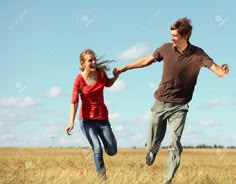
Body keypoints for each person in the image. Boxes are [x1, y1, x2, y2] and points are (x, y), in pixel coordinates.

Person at [117, 17, 229, 184]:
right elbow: (147, 60)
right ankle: (152, 151)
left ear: (185, 36)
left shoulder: (198, 54)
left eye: (175, 35)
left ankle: (167, 180)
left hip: (180, 106)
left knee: (175, 142)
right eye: (171, 35)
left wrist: (223, 70)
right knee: (152, 142)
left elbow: (217, 71)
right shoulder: (165, 49)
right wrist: (125, 68)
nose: (172, 38)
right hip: (160, 102)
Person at [66, 49, 119, 178]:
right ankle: (102, 178)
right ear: (82, 63)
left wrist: (116, 76)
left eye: (94, 59)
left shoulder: (100, 74)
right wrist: (71, 122)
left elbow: (108, 84)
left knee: (112, 151)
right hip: (87, 120)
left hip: (102, 118)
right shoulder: (79, 80)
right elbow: (74, 101)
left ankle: (111, 141)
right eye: (90, 60)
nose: (94, 62)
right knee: (97, 147)